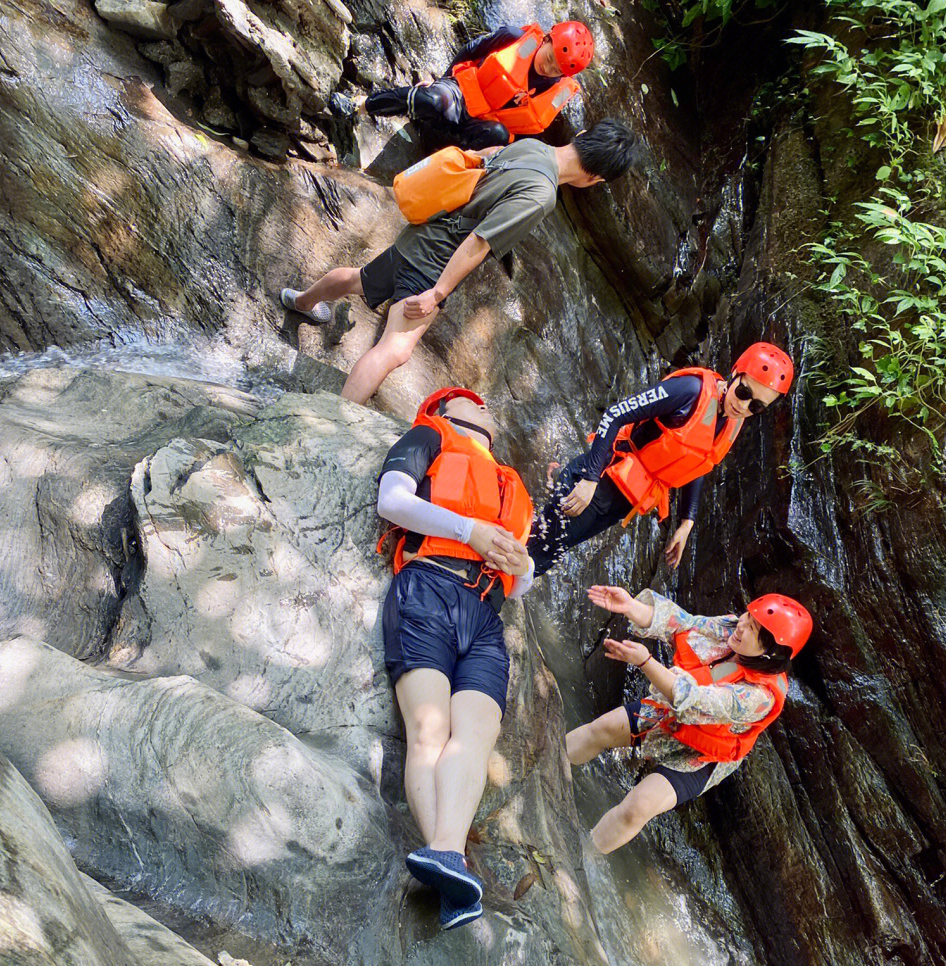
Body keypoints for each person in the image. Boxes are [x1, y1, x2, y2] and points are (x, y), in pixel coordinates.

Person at [279, 120, 637, 405]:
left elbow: (480, 157)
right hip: (435, 260)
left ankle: (300, 302)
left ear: (583, 134)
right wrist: (437, 292)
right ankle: (334, 418)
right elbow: (480, 241)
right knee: (396, 349)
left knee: (360, 279)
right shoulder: (542, 195)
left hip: (421, 233)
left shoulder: (534, 145)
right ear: (596, 179)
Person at [376, 387, 534, 929]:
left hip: (487, 614)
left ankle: (444, 860)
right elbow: (391, 501)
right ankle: (450, 863)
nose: (484, 402)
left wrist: (523, 564)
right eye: (468, 398)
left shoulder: (512, 484)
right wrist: (471, 531)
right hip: (427, 588)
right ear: (444, 411)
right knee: (430, 731)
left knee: (477, 735)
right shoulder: (428, 436)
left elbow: (518, 588)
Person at [566, 584, 813, 853]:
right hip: (671, 712)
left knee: (639, 807)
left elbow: (694, 699)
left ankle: (581, 853)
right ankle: (546, 760)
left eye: (752, 629)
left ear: (770, 653)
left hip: (700, 754)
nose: (741, 625)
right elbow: (683, 625)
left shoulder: (759, 697)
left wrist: (645, 662)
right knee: (602, 729)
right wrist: (630, 607)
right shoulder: (733, 630)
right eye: (747, 616)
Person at [526, 342, 794, 575]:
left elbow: (699, 463)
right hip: (599, 478)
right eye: (744, 392)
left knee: (545, 555)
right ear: (735, 373)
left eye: (756, 407)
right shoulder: (690, 390)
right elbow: (615, 414)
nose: (744, 406)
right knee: (537, 550)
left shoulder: (730, 422)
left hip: (619, 503)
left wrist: (687, 521)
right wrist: (589, 478)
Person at [353, 22, 594, 151]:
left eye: (557, 71)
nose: (548, 69)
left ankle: (441, 150)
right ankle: (362, 106)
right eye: (549, 58)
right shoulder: (514, 37)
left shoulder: (559, 93)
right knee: (434, 100)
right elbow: (470, 50)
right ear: (547, 39)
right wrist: (440, 82)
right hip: (462, 94)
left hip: (478, 133)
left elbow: (527, 132)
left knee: (499, 135)